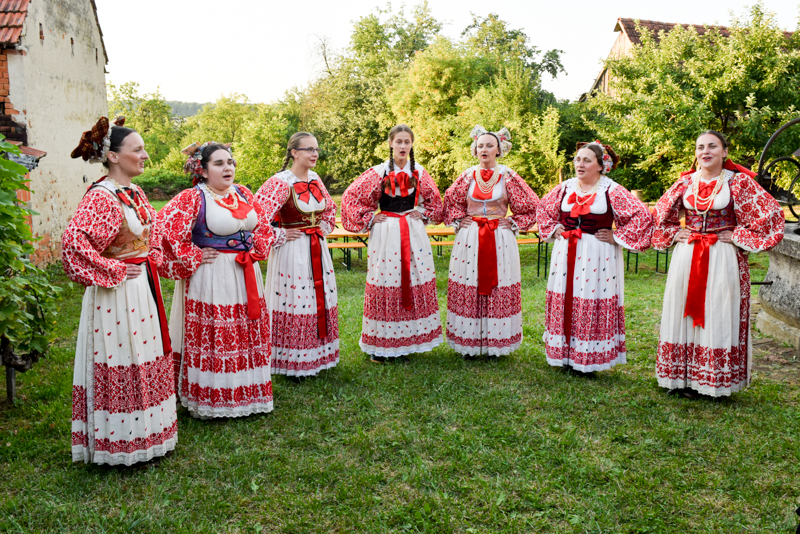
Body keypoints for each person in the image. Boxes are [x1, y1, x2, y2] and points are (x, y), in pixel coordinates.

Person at [62, 116, 177, 465]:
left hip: (141, 288)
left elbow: (150, 236)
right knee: (122, 356)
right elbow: (74, 244)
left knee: (143, 356)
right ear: (113, 156)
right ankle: (119, 442)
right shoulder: (102, 196)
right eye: (137, 149)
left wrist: (152, 259)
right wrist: (115, 269)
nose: (145, 155)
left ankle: (146, 434)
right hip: (116, 294)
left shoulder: (134, 192)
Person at [653, 130, 784, 397]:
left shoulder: (738, 182)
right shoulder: (685, 182)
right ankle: (681, 378)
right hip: (687, 255)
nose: (705, 151)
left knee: (717, 310)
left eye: (712, 146)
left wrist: (738, 235)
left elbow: (773, 217)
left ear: (724, 152)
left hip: (722, 257)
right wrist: (674, 233)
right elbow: (659, 216)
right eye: (700, 147)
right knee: (682, 310)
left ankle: (710, 381)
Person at [155, 142, 274, 417]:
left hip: (246, 271)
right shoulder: (192, 198)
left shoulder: (243, 193)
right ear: (204, 170)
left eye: (230, 162)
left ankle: (247, 394)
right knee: (219, 333)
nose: (227, 168)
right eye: (219, 163)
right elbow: (162, 233)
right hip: (213, 275)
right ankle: (214, 400)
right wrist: (194, 255)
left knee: (245, 330)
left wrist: (257, 248)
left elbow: (263, 226)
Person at [537, 141, 654, 372]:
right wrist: (554, 228)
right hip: (566, 250)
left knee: (591, 296)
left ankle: (588, 357)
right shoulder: (565, 187)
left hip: (598, 254)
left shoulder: (611, 190)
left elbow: (642, 216)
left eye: (587, 160)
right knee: (566, 296)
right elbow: (542, 209)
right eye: (578, 159)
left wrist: (617, 236)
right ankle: (564, 355)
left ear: (601, 166)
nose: (580, 164)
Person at [341, 124, 444, 361]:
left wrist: (422, 213)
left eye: (407, 142)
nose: (403, 146)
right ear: (390, 143)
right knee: (386, 280)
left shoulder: (419, 171)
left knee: (413, 279)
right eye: (399, 141)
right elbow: (350, 197)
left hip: (412, 229)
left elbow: (436, 202)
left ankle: (407, 341)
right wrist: (370, 218)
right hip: (386, 231)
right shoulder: (378, 172)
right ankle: (381, 344)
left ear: (412, 144)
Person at [443, 125, 539, 357]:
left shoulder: (508, 175)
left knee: (498, 286)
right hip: (470, 237)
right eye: (480, 146)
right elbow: (450, 200)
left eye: (489, 145)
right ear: (475, 150)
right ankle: (469, 343)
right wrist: (460, 219)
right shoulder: (467, 175)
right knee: (470, 282)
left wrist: (513, 222)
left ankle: (496, 343)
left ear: (499, 149)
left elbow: (532, 205)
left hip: (499, 237)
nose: (484, 149)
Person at [256, 133, 339, 377]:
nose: (314, 154)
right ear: (294, 152)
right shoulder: (280, 182)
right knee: (296, 299)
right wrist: (280, 234)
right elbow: (256, 217)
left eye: (316, 149)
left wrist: (323, 227)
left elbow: (329, 208)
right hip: (292, 251)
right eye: (309, 149)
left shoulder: (315, 178)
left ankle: (316, 356)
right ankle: (291, 361)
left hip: (317, 246)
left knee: (316, 299)